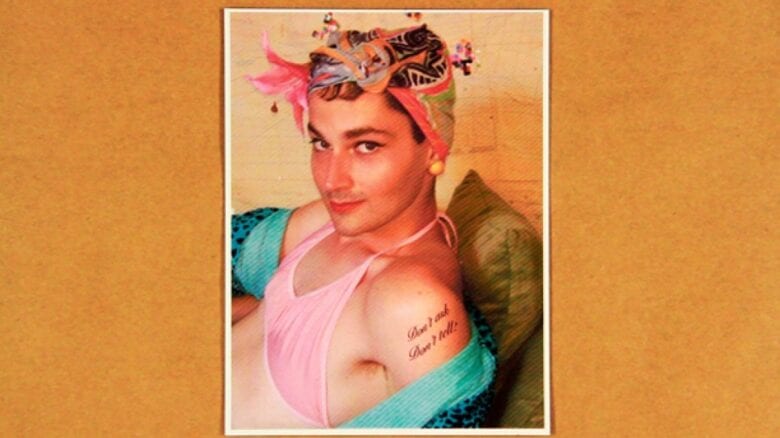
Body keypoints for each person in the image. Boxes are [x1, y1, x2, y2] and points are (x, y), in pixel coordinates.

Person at [230, 24, 495, 429]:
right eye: (322, 143)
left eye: (366, 146)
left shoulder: (411, 302)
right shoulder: (330, 223)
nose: (332, 180)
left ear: (432, 148)